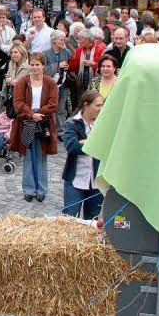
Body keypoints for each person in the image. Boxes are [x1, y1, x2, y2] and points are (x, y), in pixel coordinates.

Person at [9, 53, 59, 203]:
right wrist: (31, 114)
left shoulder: (50, 82)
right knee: (28, 156)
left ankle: (42, 189)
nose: (35, 67)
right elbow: (18, 103)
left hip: (44, 121)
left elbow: (53, 103)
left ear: (43, 66)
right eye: (32, 64)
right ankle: (29, 189)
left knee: (41, 156)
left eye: (37, 64)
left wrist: (40, 114)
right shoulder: (22, 82)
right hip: (27, 122)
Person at [62, 91, 104, 220]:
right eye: (98, 105)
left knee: (93, 219)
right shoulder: (72, 123)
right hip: (75, 179)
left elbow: (106, 146)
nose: (101, 108)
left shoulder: (103, 124)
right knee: (70, 219)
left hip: (97, 181)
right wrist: (95, 144)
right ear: (86, 105)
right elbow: (72, 147)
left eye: (102, 105)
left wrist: (86, 143)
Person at [42, 31, 72, 132]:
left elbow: (70, 64)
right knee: (50, 106)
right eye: (61, 39)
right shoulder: (45, 53)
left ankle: (60, 130)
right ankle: (49, 129)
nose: (63, 42)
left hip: (62, 83)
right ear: (54, 40)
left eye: (64, 39)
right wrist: (57, 66)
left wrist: (67, 67)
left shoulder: (66, 52)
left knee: (61, 107)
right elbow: (44, 69)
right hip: (50, 84)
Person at [69, 29, 104, 94]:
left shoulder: (100, 49)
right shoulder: (79, 50)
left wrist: (93, 64)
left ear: (88, 39)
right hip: (81, 84)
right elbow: (73, 67)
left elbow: (104, 66)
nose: (79, 42)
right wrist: (73, 56)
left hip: (96, 84)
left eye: (81, 39)